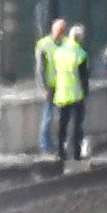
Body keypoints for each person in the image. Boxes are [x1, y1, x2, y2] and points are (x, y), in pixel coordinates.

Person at [49, 23, 91, 162]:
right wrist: (86, 92)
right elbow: (84, 76)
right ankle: (76, 152)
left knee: (62, 125)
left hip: (61, 94)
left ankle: (60, 151)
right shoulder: (80, 53)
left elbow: (55, 71)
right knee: (77, 125)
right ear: (80, 38)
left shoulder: (59, 52)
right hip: (76, 94)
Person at [33, 17, 68, 156]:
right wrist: (43, 89)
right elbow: (40, 69)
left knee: (60, 118)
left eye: (63, 31)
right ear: (53, 30)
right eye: (59, 30)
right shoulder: (44, 45)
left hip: (62, 86)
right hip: (50, 87)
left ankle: (56, 146)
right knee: (48, 118)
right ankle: (45, 146)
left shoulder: (65, 44)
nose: (61, 33)